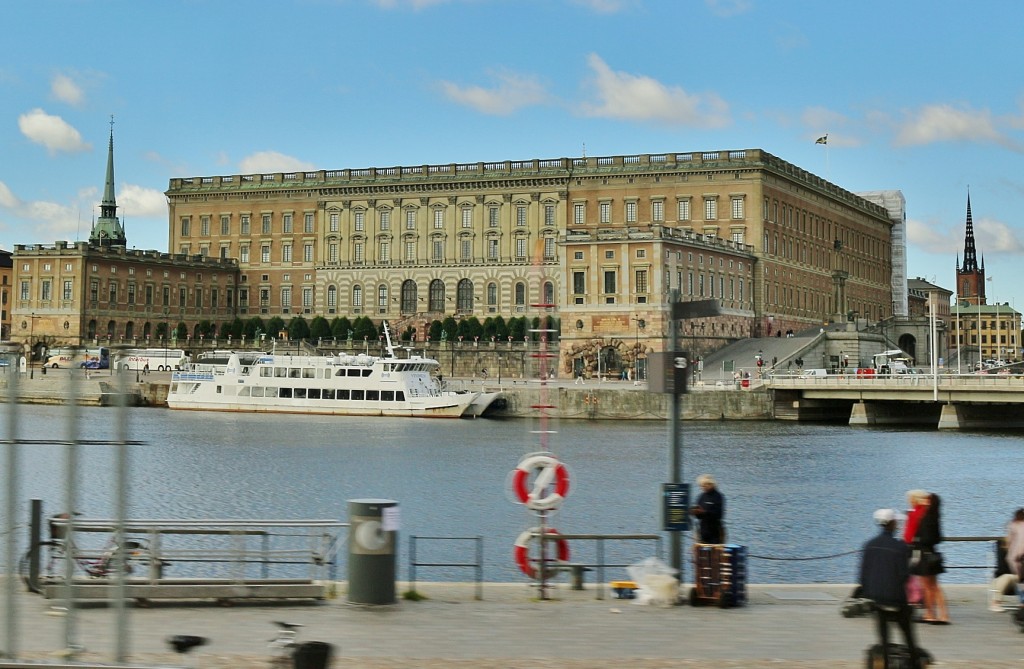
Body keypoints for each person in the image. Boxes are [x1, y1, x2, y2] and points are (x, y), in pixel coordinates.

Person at [860, 508, 922, 668]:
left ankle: (885, 660)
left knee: (883, 635)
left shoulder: (869, 545)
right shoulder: (900, 547)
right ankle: (913, 659)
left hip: (876, 598)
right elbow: (904, 575)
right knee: (907, 631)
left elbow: (862, 576)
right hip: (896, 598)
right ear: (893, 523)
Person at [911, 492, 950, 624]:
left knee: (926, 586)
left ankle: (929, 613)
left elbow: (924, 538)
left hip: (924, 554)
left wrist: (918, 539)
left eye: (927, 500)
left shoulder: (926, 518)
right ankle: (944, 614)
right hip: (933, 554)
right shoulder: (936, 517)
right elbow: (938, 538)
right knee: (935, 587)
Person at [690, 474, 725, 544]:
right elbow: (699, 517)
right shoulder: (701, 496)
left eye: (704, 485)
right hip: (703, 531)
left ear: (711, 484)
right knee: (701, 553)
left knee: (715, 552)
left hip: (715, 532)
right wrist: (696, 513)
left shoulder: (718, 496)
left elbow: (719, 515)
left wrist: (704, 512)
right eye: (701, 486)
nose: (702, 488)